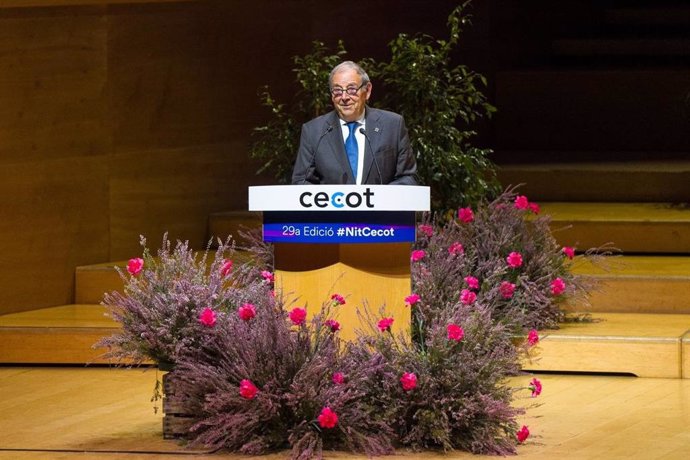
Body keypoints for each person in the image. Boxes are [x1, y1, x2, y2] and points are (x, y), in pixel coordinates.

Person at [291, 61, 417, 185]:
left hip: (382, 205)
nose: (344, 97)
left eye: (351, 89)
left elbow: (408, 178)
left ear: (367, 91)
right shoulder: (314, 131)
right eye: (338, 90)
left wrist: (379, 197)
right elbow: (301, 182)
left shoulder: (393, 125)